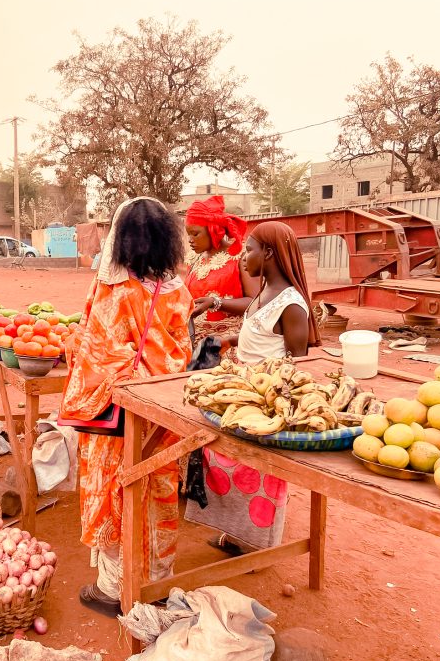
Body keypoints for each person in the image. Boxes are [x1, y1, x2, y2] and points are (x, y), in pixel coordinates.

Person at [60, 197, 193, 616]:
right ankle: (156, 575)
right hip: (162, 408)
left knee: (113, 488)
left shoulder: (115, 292)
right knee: (158, 487)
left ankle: (114, 587)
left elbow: (95, 352)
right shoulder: (178, 292)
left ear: (120, 241)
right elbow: (182, 350)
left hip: (114, 411)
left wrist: (71, 344)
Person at [185, 221, 320, 553]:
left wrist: (275, 399)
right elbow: (258, 323)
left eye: (249, 250)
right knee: (227, 462)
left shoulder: (292, 304)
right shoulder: (266, 292)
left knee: (259, 474)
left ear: (269, 253)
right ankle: (236, 536)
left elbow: (296, 364)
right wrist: (230, 337)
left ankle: (257, 543)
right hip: (243, 388)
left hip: (266, 398)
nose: (243, 257)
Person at [184, 196, 258, 342]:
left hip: (229, 344)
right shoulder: (193, 259)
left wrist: (215, 302)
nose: (190, 240)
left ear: (213, 230)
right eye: (188, 234)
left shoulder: (239, 257)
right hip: (196, 344)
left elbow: (256, 302)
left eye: (195, 233)